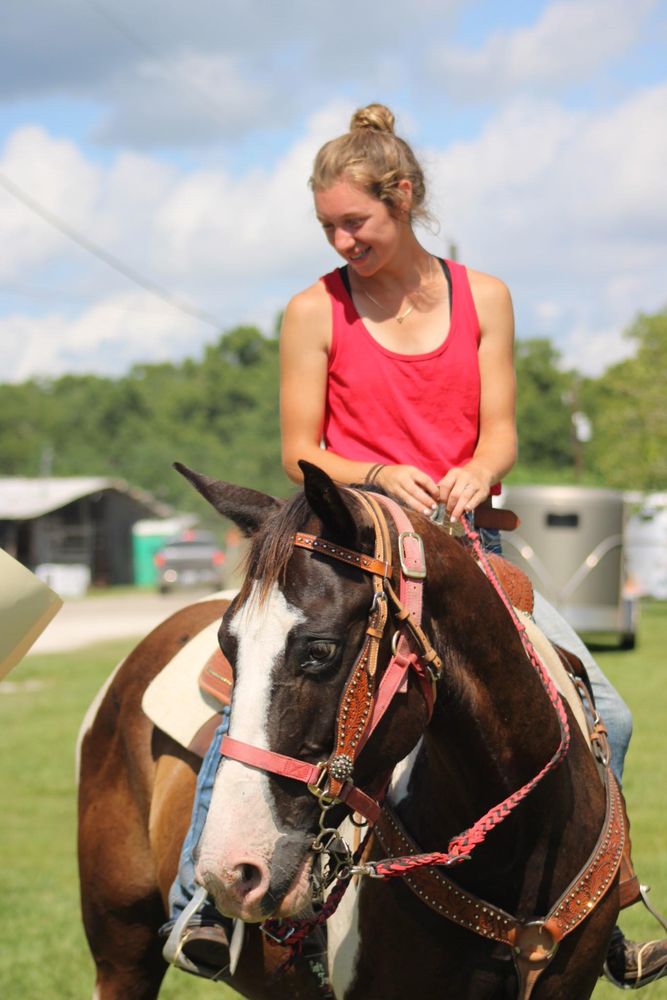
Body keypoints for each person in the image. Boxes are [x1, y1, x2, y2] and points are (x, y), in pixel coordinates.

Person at [162, 103, 667, 989]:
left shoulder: (487, 298)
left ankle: (599, 907)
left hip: (460, 547)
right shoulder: (311, 309)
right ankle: (203, 904)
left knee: (608, 717)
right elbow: (298, 447)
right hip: (349, 539)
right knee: (253, 696)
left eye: (353, 221)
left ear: (401, 199)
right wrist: (377, 471)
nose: (341, 240)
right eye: (326, 226)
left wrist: (476, 470)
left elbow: (501, 432)